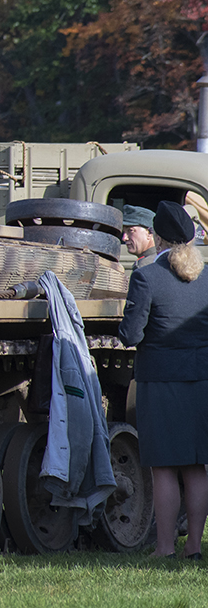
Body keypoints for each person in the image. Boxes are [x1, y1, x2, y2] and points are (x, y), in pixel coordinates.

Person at [116, 200, 208, 559]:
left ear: (158, 238)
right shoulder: (206, 277)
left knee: (165, 467)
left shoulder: (146, 277)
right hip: (201, 380)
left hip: (160, 382)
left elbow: (131, 335)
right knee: (197, 466)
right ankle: (194, 547)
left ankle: (165, 547)